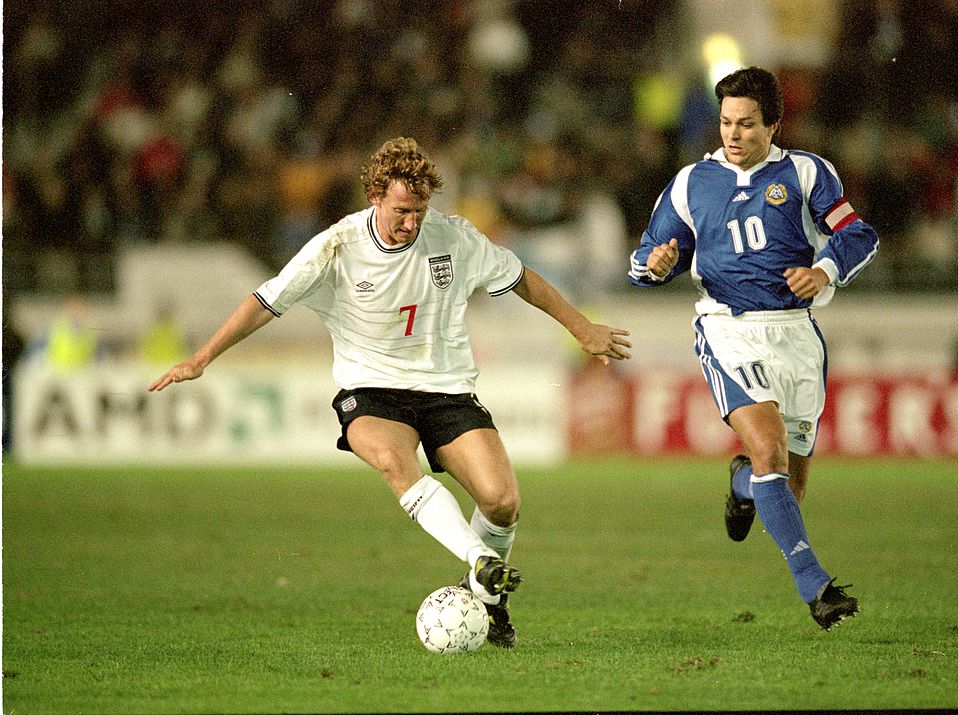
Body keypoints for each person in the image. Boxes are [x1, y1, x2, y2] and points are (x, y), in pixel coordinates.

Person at [149, 137, 632, 648]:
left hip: (446, 389)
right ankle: (480, 563)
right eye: (402, 210)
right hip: (371, 390)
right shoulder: (335, 247)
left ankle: (490, 604)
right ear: (374, 196)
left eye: (420, 211)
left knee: (503, 502)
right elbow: (265, 301)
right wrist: (203, 357)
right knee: (393, 460)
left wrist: (580, 327)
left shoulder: (453, 237)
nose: (411, 223)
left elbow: (520, 278)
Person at [628, 67, 879, 630]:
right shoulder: (692, 182)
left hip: (797, 335)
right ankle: (817, 588)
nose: (732, 135)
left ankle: (742, 485)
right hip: (729, 328)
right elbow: (644, 258)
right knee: (769, 449)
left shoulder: (807, 174)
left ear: (774, 125)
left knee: (786, 482)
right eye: (725, 123)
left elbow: (858, 235)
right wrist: (656, 265)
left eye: (746, 124)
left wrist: (825, 270)